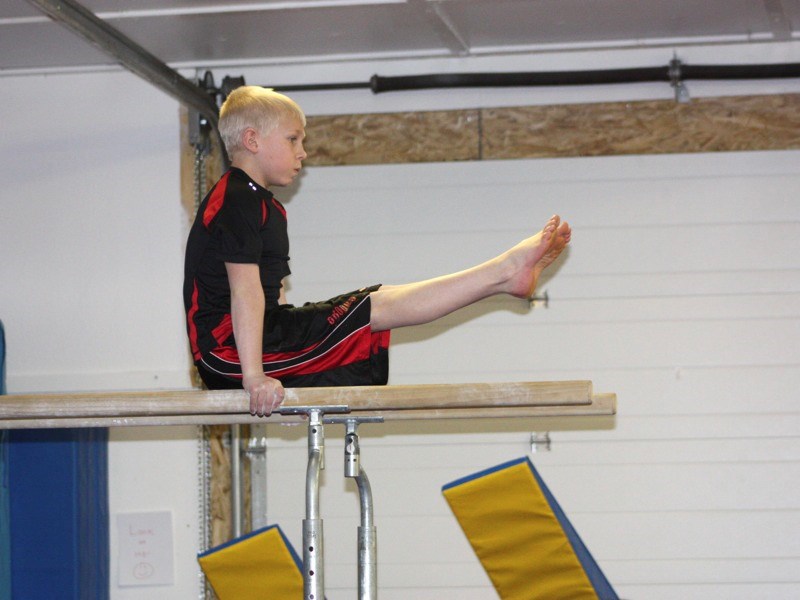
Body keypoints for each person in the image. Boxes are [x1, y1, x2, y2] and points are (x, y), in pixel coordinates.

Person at [183, 86, 571, 418]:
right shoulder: (235, 197)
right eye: (293, 140)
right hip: (227, 352)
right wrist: (254, 377)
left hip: (259, 340)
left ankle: (503, 277)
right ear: (252, 140)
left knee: (374, 302)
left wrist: (289, 376)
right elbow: (246, 290)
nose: (303, 153)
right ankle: (503, 272)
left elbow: (271, 292)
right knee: (374, 309)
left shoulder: (266, 206)